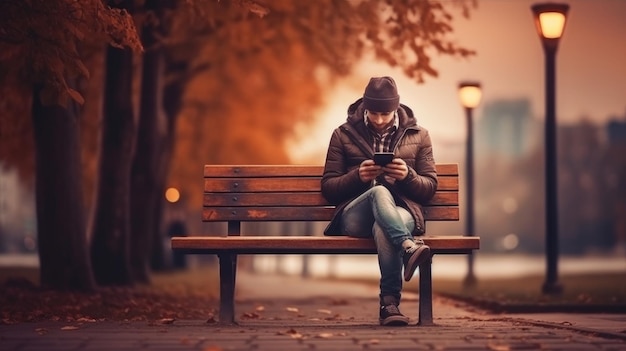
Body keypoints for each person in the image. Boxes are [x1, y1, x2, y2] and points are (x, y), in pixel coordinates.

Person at [321, 76, 438, 326]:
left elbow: (429, 188)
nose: (379, 120)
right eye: (373, 113)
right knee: (378, 192)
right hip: (355, 216)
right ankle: (408, 246)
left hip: (401, 213)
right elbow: (329, 188)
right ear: (365, 107)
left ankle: (389, 305)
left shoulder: (420, 135)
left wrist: (408, 176)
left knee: (382, 227)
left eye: (385, 114)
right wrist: (357, 177)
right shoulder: (342, 135)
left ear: (396, 108)